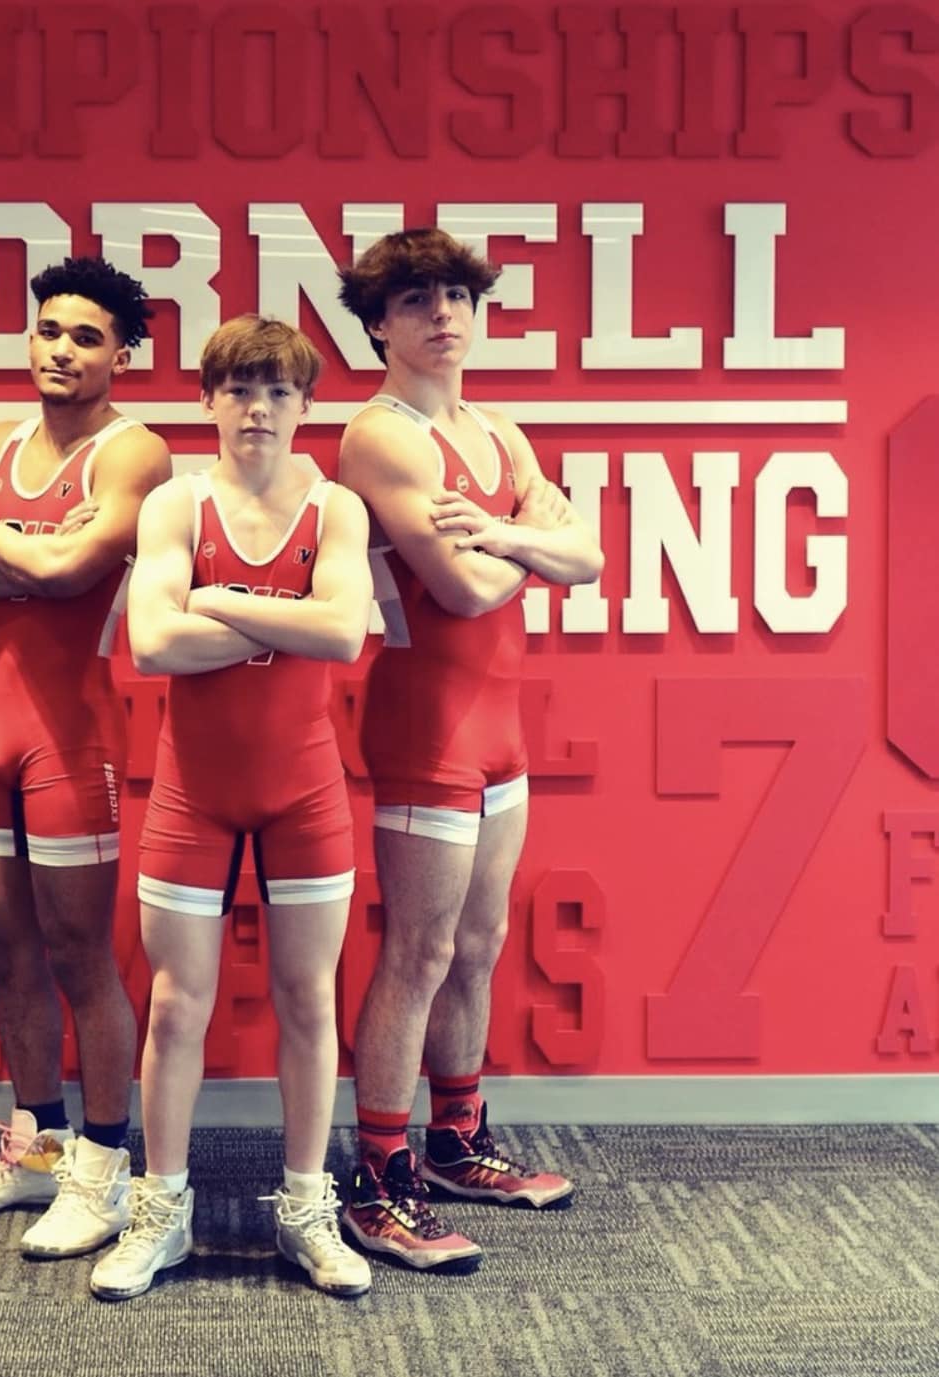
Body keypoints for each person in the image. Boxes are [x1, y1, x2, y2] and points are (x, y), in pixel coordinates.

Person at [333, 229, 604, 1271]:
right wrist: (521, 540)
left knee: (479, 944)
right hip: (427, 725)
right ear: (378, 326)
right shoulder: (380, 438)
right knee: (418, 950)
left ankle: (455, 1142)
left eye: (456, 295)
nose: (443, 314)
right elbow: (463, 590)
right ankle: (379, 1183)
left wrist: (496, 532)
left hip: (502, 728)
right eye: (414, 301)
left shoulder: (500, 431)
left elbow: (588, 555)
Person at [88, 316, 373, 1301]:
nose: (258, 410)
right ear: (208, 402)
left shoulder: (336, 510)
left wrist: (219, 602)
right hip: (192, 795)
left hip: (306, 792)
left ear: (306, 407)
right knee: (177, 1008)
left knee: (309, 1000)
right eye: (240, 390)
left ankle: (305, 1207)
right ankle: (159, 1213)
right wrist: (267, 619)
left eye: (279, 392)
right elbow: (153, 647)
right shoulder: (174, 505)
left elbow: (341, 634)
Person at [0, 257, 171, 1259]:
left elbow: (70, 576)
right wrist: (8, 532)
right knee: (2, 949)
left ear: (122, 354)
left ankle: (101, 1178)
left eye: (86, 337)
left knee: (78, 958)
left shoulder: (133, 452)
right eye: (48, 331)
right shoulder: (3, 441)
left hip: (73, 739)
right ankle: (34, 1153)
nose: (61, 350)